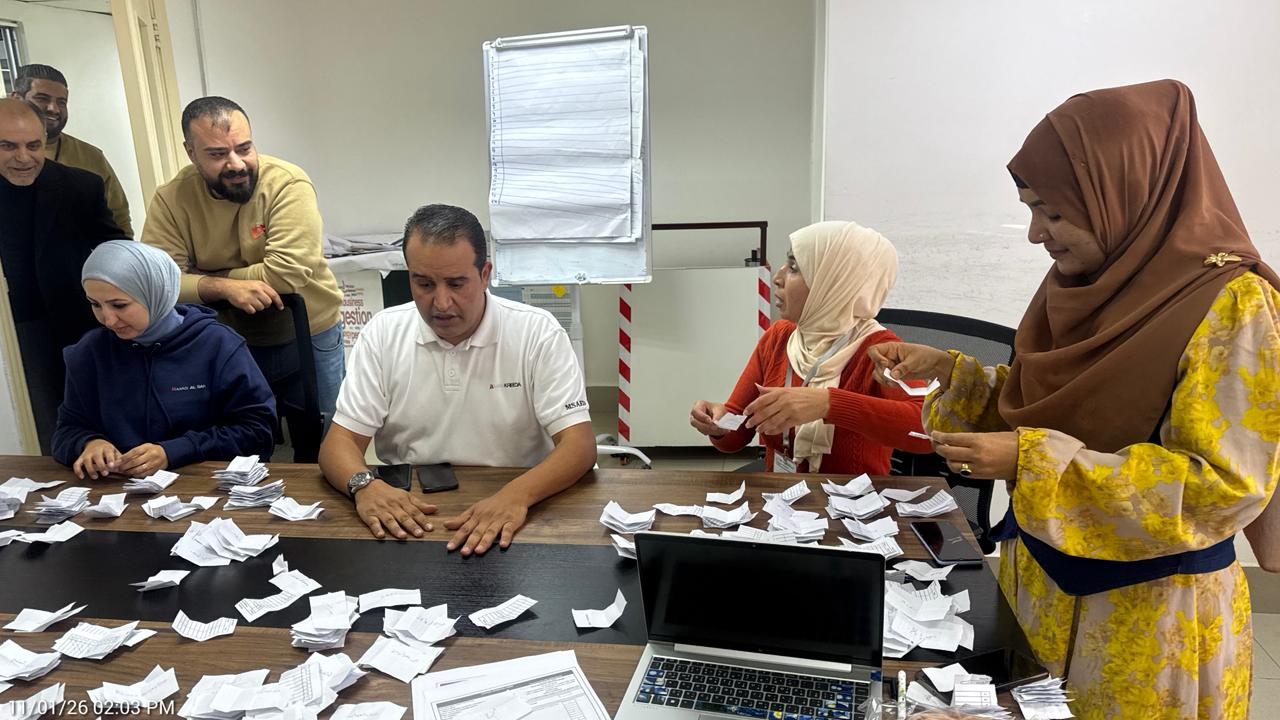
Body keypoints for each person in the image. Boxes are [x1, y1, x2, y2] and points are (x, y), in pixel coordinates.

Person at [870, 80, 1279, 720]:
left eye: (1055, 214)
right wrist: (955, 374)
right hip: (1040, 581)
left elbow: (1222, 486)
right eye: (1032, 209)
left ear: (1127, 193)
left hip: (1147, 615)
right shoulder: (1083, 284)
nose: (1037, 234)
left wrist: (1033, 462)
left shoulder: (1232, 305)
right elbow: (1058, 405)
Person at [318, 204, 596, 553]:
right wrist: (364, 486)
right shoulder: (383, 334)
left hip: (522, 500)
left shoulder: (537, 333)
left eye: (456, 283)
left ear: (485, 274)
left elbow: (579, 446)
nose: (441, 303)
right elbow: (339, 444)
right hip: (411, 509)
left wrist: (516, 495)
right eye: (424, 283)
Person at [141, 96, 344, 428]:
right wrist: (225, 288)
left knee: (328, 431)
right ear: (191, 152)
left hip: (310, 331)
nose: (235, 163)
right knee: (243, 434)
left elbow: (285, 274)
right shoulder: (171, 199)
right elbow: (160, 283)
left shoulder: (287, 183)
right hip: (229, 340)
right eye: (217, 154)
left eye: (244, 148)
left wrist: (204, 278)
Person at [688, 221, 932, 474]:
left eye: (794, 268)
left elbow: (928, 431)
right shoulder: (779, 337)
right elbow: (736, 435)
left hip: (853, 497)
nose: (778, 278)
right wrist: (718, 423)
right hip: (781, 494)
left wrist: (828, 404)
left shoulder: (880, 350)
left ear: (833, 283)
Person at [52, 241, 276, 479]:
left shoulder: (218, 345)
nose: (108, 320)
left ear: (155, 293)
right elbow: (67, 430)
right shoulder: (90, 352)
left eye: (119, 305)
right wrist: (89, 443)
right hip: (118, 487)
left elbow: (258, 432)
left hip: (205, 484)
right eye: (95, 304)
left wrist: (175, 451)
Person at [0, 98, 121, 453]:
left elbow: (115, 252)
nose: (24, 158)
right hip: (13, 333)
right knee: (38, 430)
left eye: (33, 145)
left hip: (79, 326)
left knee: (98, 426)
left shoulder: (80, 187)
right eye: (8, 146)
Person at [10, 64, 133, 236]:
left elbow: (119, 219)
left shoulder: (91, 157)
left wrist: (122, 250)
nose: (53, 109)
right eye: (42, 98)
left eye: (61, 102)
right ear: (16, 99)